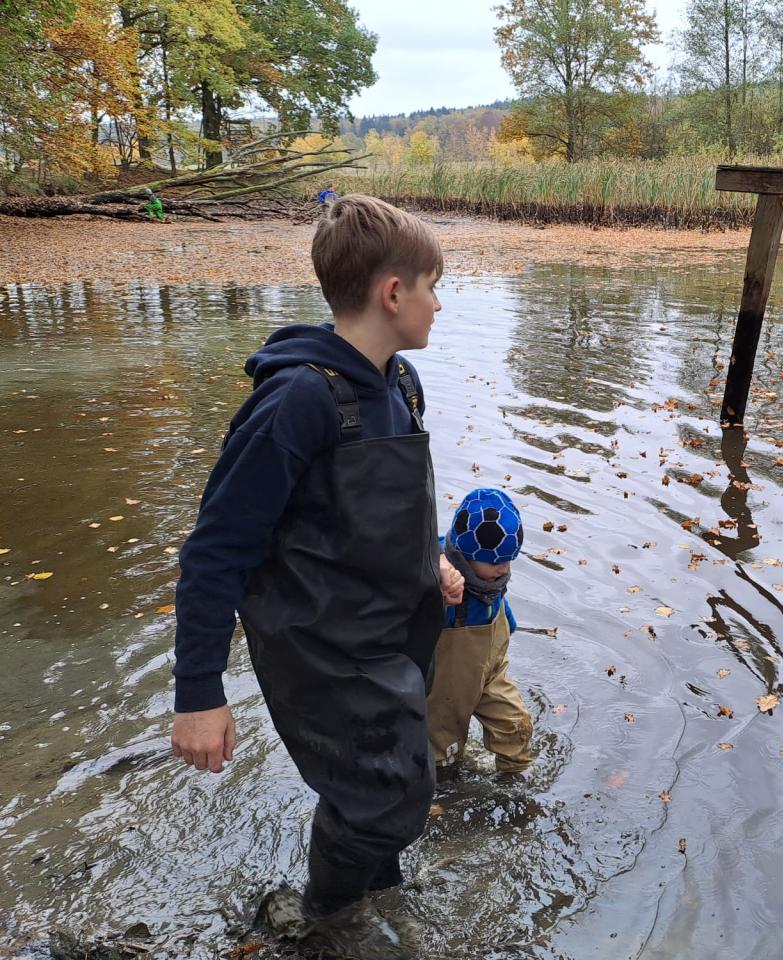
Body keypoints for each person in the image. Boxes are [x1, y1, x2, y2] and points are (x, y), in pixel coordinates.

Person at [169, 194, 465, 959]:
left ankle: (374, 898)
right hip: (319, 646)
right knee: (390, 798)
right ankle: (325, 925)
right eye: (432, 286)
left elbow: (382, 506)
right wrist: (199, 693)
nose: (438, 303)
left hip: (390, 629)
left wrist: (431, 557)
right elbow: (216, 550)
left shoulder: (400, 384)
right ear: (392, 293)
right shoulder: (297, 402)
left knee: (392, 785)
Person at [429, 488, 534, 780]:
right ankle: (444, 791)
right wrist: (438, 588)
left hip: (491, 669)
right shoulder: (441, 578)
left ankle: (513, 782)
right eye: (496, 562)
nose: (504, 568)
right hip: (447, 683)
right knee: (443, 754)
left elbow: (500, 605)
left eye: (509, 560)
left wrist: (509, 624)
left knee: (515, 726)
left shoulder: (492, 579)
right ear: (466, 554)